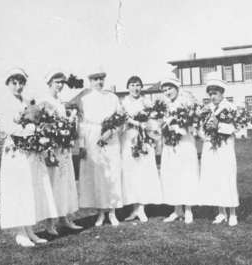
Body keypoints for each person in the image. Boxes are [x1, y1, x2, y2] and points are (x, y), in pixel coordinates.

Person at [0, 68, 57, 247]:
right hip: (15, 150)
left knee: (30, 188)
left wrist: (37, 130)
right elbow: (7, 127)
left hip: (29, 150)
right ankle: (20, 232)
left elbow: (36, 119)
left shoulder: (27, 101)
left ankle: (29, 229)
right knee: (18, 188)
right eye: (14, 83)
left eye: (21, 82)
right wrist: (29, 130)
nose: (18, 86)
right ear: (8, 84)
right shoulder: (5, 102)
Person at [75, 68, 123, 226]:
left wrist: (111, 131)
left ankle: (113, 212)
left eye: (101, 78)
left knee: (112, 172)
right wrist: (82, 145)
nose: (99, 82)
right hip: (92, 137)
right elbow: (81, 124)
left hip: (111, 138)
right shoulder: (85, 99)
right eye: (95, 79)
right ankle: (101, 213)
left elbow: (120, 118)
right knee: (98, 174)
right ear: (90, 80)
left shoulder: (112, 97)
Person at [42, 72, 83, 235]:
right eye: (57, 82)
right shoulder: (44, 101)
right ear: (50, 82)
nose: (60, 85)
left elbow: (63, 123)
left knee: (65, 183)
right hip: (52, 148)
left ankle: (65, 218)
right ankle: (50, 222)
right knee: (53, 184)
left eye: (61, 83)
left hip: (64, 147)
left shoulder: (59, 101)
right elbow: (44, 125)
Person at [198, 72, 239, 226]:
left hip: (225, 147)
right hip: (210, 147)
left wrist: (218, 126)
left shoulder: (229, 107)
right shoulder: (207, 109)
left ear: (222, 93)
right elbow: (201, 130)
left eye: (215, 93)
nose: (212, 97)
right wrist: (205, 132)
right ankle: (221, 212)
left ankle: (233, 213)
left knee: (227, 177)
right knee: (215, 178)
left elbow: (235, 128)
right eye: (210, 94)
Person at [120, 76, 162, 222]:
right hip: (129, 138)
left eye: (138, 85)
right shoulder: (123, 103)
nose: (135, 88)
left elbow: (153, 120)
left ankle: (142, 208)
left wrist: (149, 128)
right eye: (132, 85)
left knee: (144, 171)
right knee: (131, 172)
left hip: (145, 138)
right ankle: (133, 209)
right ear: (128, 87)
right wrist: (135, 122)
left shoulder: (146, 101)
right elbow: (122, 118)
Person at [159, 78, 199, 224]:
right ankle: (177, 210)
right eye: (164, 90)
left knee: (186, 174)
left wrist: (177, 126)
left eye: (169, 88)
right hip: (170, 145)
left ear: (176, 87)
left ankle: (188, 210)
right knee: (172, 174)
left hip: (185, 143)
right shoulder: (164, 105)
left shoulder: (187, 101)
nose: (167, 92)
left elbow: (191, 123)